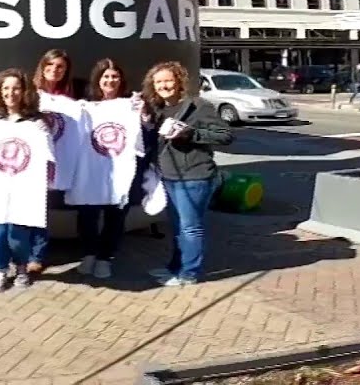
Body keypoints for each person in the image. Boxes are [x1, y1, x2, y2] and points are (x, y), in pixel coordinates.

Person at [141, 60, 233, 287]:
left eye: (168, 81)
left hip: (194, 175)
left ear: (179, 81)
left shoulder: (198, 106)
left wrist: (189, 134)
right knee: (177, 227)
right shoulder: (158, 109)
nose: (164, 86)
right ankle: (175, 267)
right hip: (169, 176)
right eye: (159, 82)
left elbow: (225, 136)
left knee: (190, 227)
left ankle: (189, 273)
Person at [0, 68, 54, 292]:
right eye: (6, 88)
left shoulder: (36, 122)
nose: (11, 93)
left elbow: (48, 153)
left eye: (16, 88)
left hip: (24, 187)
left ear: (25, 91)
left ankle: (21, 267)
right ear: (0, 91)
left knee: (18, 237)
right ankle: (0, 270)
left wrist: (44, 134)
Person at [70, 59, 144, 280]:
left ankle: (105, 257)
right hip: (91, 172)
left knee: (115, 216)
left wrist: (142, 112)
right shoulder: (86, 107)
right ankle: (89, 254)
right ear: (98, 80)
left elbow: (145, 131)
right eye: (106, 77)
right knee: (87, 215)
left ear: (121, 80)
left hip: (120, 171)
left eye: (115, 77)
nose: (110, 81)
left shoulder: (130, 105)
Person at [31, 48, 89, 275]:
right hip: (29, 162)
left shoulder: (70, 102)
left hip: (54, 164)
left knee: (42, 209)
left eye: (60, 67)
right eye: (50, 66)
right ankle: (25, 253)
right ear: (42, 67)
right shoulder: (30, 95)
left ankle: (37, 255)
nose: (54, 70)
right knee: (30, 209)